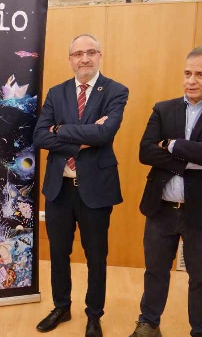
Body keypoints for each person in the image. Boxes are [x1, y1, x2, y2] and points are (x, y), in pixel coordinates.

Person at [130, 46, 202, 337]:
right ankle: (148, 323)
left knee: (201, 278)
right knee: (155, 272)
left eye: (200, 74)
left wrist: (170, 145)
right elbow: (145, 152)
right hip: (161, 209)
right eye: (187, 73)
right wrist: (200, 156)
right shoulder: (164, 108)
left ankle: (201, 331)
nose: (191, 80)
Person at [33, 34, 129, 337]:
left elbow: (106, 134)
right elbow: (39, 137)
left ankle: (93, 314)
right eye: (77, 54)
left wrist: (60, 131)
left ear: (100, 55)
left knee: (96, 255)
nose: (83, 59)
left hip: (97, 188)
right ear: (70, 59)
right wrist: (82, 137)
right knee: (59, 252)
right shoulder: (56, 92)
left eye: (90, 52)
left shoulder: (115, 91)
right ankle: (61, 307)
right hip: (59, 188)